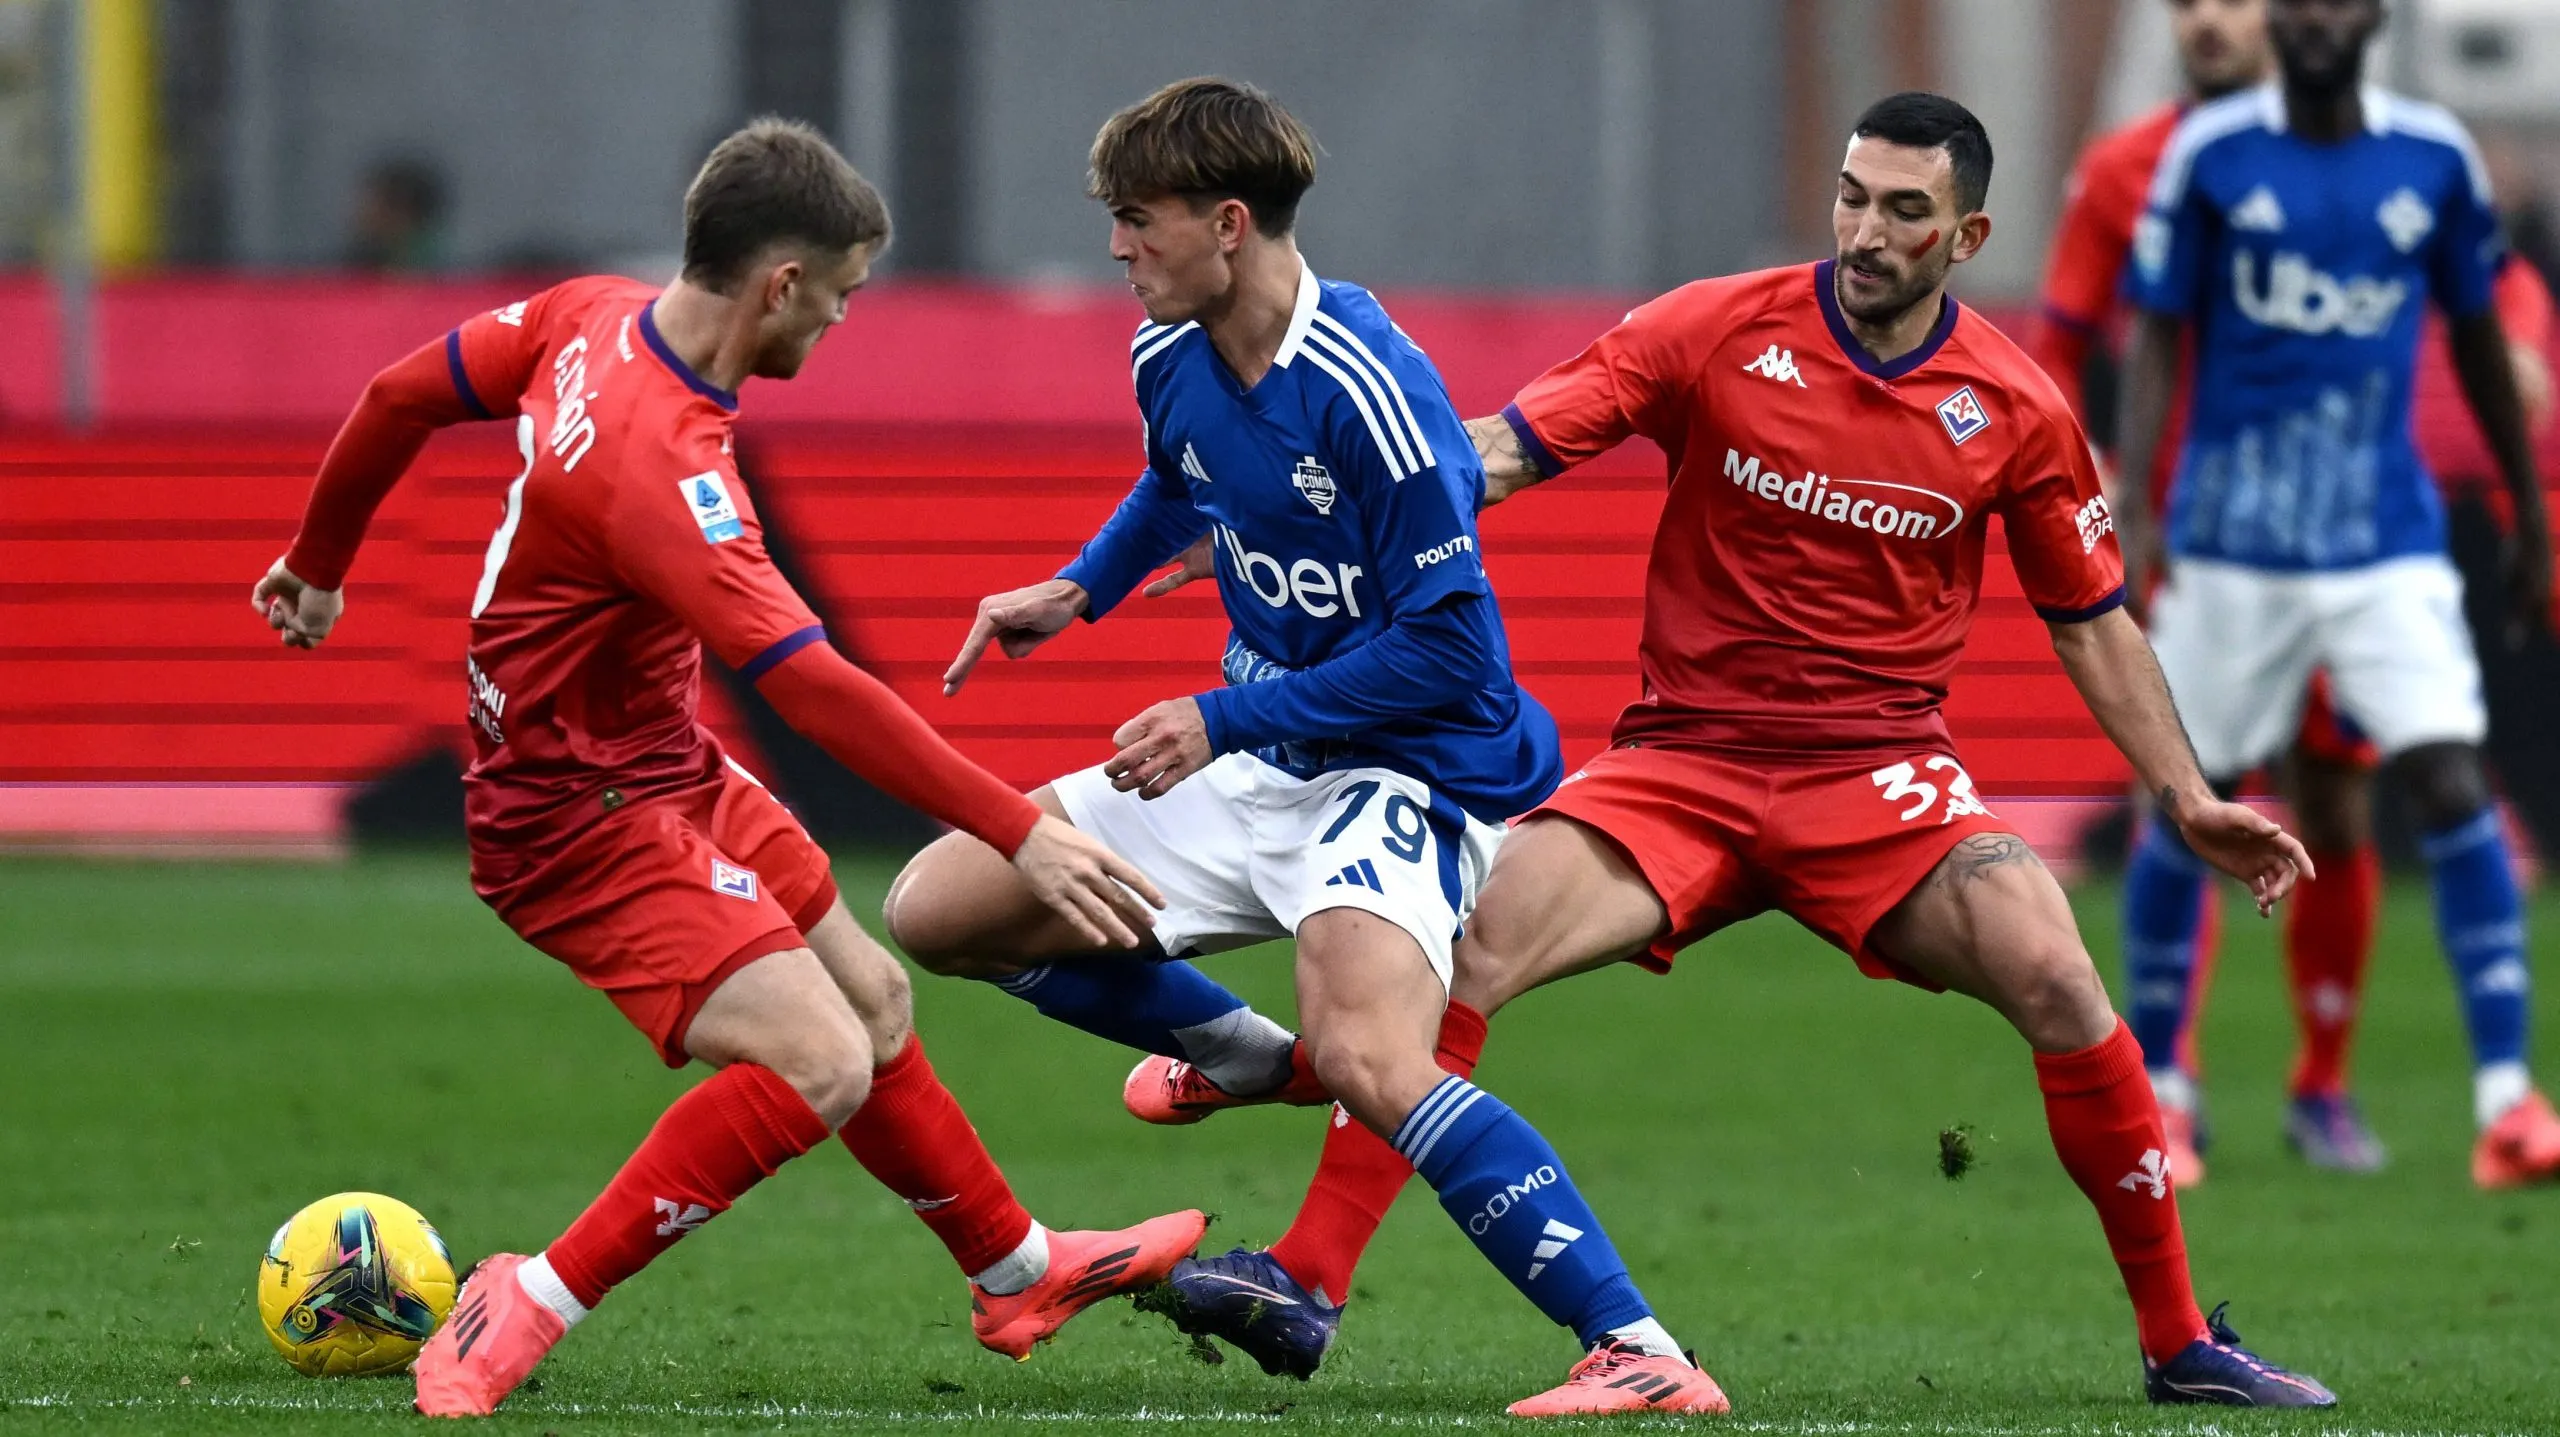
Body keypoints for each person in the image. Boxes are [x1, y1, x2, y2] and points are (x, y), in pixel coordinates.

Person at [1134, 91, 2339, 1408]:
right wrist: (1309, 506)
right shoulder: (1714, 326)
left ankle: (2179, 1345)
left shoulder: (2013, 405)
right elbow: (1497, 454)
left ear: (1969, 233)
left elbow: (2094, 623)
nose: (1865, 231)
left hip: (1880, 781)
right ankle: (1305, 1275)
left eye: (1905, 211)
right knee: (1466, 946)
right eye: (1852, 196)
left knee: (2057, 971)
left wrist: (2189, 795)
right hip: (1682, 768)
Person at [250, 118, 1205, 1417]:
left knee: (872, 1000)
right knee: (818, 1060)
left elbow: (399, 395)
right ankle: (524, 1301)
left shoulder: (591, 315)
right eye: (846, 296)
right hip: (571, 816)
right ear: (780, 286)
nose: (844, 322)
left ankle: (1017, 1268)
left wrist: (317, 562)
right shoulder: (672, 472)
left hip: (659, 761)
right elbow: (810, 689)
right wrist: (1014, 827)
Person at [883, 78, 1726, 1418]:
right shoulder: (1171, 351)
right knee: (941, 907)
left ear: (1228, 224)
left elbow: (1452, 653)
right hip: (1265, 751)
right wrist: (1082, 587)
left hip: (1408, 766)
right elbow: (1180, 478)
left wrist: (1220, 715)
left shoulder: (1373, 389)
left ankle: (1639, 1347)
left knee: (1382, 1065)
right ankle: (1239, 1054)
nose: (1116, 249)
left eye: (1135, 220)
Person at [2040, 0, 2558, 1185]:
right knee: (2191, 796)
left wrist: (2529, 506)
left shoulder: (2427, 155)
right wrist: (2128, 501)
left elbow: (2490, 309)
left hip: (2385, 546)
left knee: (2417, 778)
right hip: (2226, 549)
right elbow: (2127, 335)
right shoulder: (2177, 161)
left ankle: (2487, 1098)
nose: (2228, 18)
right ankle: (2164, 1089)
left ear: (2370, 16)